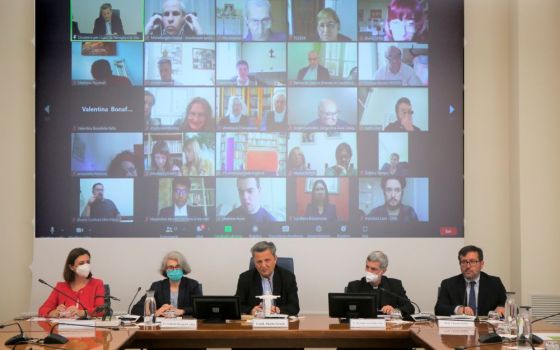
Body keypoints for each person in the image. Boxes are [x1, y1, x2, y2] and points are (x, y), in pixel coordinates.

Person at [435, 245, 507, 317]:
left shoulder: (494, 283)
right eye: (464, 262)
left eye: (472, 261)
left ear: (481, 264)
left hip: (486, 327)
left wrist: (502, 307)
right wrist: (458, 309)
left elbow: (507, 304)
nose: (468, 266)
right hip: (459, 327)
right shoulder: (448, 284)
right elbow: (439, 309)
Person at [235, 241, 299, 316]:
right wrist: (251, 310)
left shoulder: (287, 277)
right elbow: (237, 306)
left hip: (280, 324)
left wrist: (278, 310)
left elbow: (294, 307)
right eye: (259, 262)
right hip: (254, 324)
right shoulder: (245, 278)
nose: (263, 265)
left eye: (267, 260)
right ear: (254, 262)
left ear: (275, 259)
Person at [38, 248, 105, 318]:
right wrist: (53, 313)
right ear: (71, 267)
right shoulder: (60, 287)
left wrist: (82, 312)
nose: (86, 266)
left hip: (89, 327)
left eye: (88, 262)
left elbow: (101, 310)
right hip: (64, 327)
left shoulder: (97, 283)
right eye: (81, 263)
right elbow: (42, 310)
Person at [131, 251, 202, 317]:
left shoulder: (192, 285)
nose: (174, 270)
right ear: (165, 270)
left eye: (177, 266)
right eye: (171, 267)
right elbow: (135, 310)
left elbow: (200, 308)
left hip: (187, 326)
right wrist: (156, 312)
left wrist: (182, 311)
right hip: (163, 326)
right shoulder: (157, 286)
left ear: (183, 268)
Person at [346, 251, 414, 316]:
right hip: (362, 326)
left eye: (373, 269)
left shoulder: (395, 285)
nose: (368, 271)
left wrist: (395, 310)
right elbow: (346, 310)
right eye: (367, 267)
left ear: (383, 271)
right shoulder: (354, 286)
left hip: (388, 327)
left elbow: (410, 307)